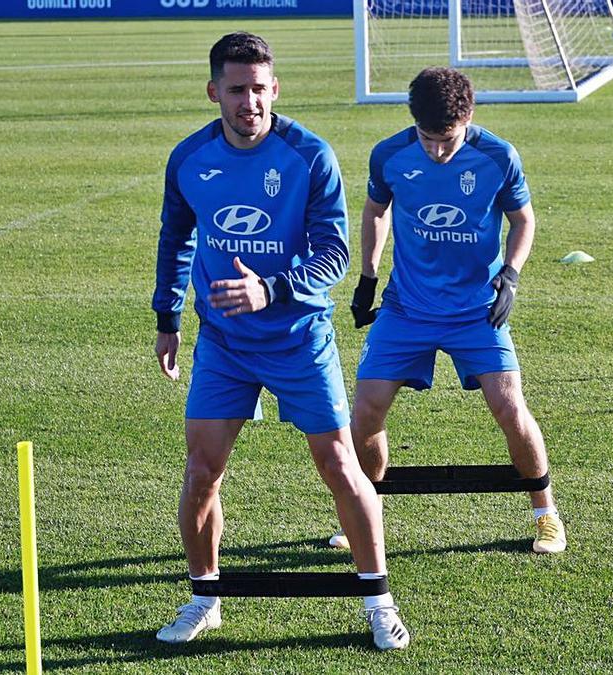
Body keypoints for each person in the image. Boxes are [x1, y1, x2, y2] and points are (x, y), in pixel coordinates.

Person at [151, 31, 409, 651]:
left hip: (299, 338)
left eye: (260, 90)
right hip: (224, 343)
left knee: (340, 467)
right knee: (202, 470)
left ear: (276, 90)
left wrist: (272, 289)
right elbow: (175, 238)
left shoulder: (309, 156)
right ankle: (204, 598)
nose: (250, 103)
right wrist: (167, 318)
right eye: (236, 90)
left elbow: (334, 254)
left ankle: (378, 600)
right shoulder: (189, 158)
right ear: (214, 91)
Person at [330, 66, 566, 555]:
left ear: (469, 117)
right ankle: (364, 508)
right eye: (428, 138)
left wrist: (513, 275)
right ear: (412, 122)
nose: (438, 150)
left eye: (448, 139)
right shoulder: (390, 154)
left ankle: (546, 514)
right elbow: (377, 210)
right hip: (407, 307)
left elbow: (523, 219)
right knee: (366, 412)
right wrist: (369, 276)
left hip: (477, 309)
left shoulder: (498, 156)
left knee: (509, 408)